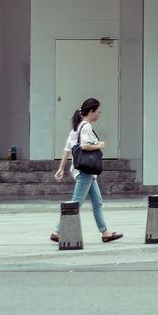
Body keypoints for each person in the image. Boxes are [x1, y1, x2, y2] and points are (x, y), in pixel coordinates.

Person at [51, 98, 124, 244]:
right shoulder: (86, 127)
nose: (99, 114)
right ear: (91, 111)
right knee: (76, 203)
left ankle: (105, 233)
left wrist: (61, 168)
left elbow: (67, 149)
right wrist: (100, 144)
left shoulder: (76, 127)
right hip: (85, 171)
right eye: (98, 111)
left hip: (84, 171)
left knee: (97, 202)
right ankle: (57, 231)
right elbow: (84, 146)